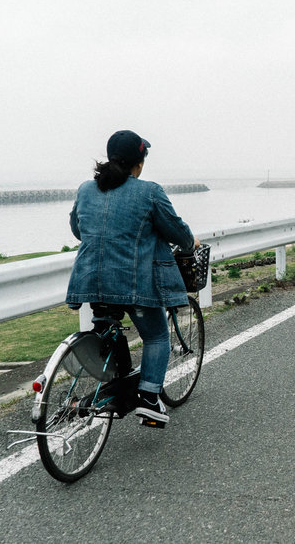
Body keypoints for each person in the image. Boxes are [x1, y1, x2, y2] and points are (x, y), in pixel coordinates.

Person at [65, 129, 200, 426]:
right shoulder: (148, 191)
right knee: (155, 336)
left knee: (108, 333)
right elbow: (176, 230)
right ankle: (149, 399)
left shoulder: (86, 189)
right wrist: (191, 243)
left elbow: (78, 229)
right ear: (139, 163)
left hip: (89, 281)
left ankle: (113, 390)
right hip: (133, 284)